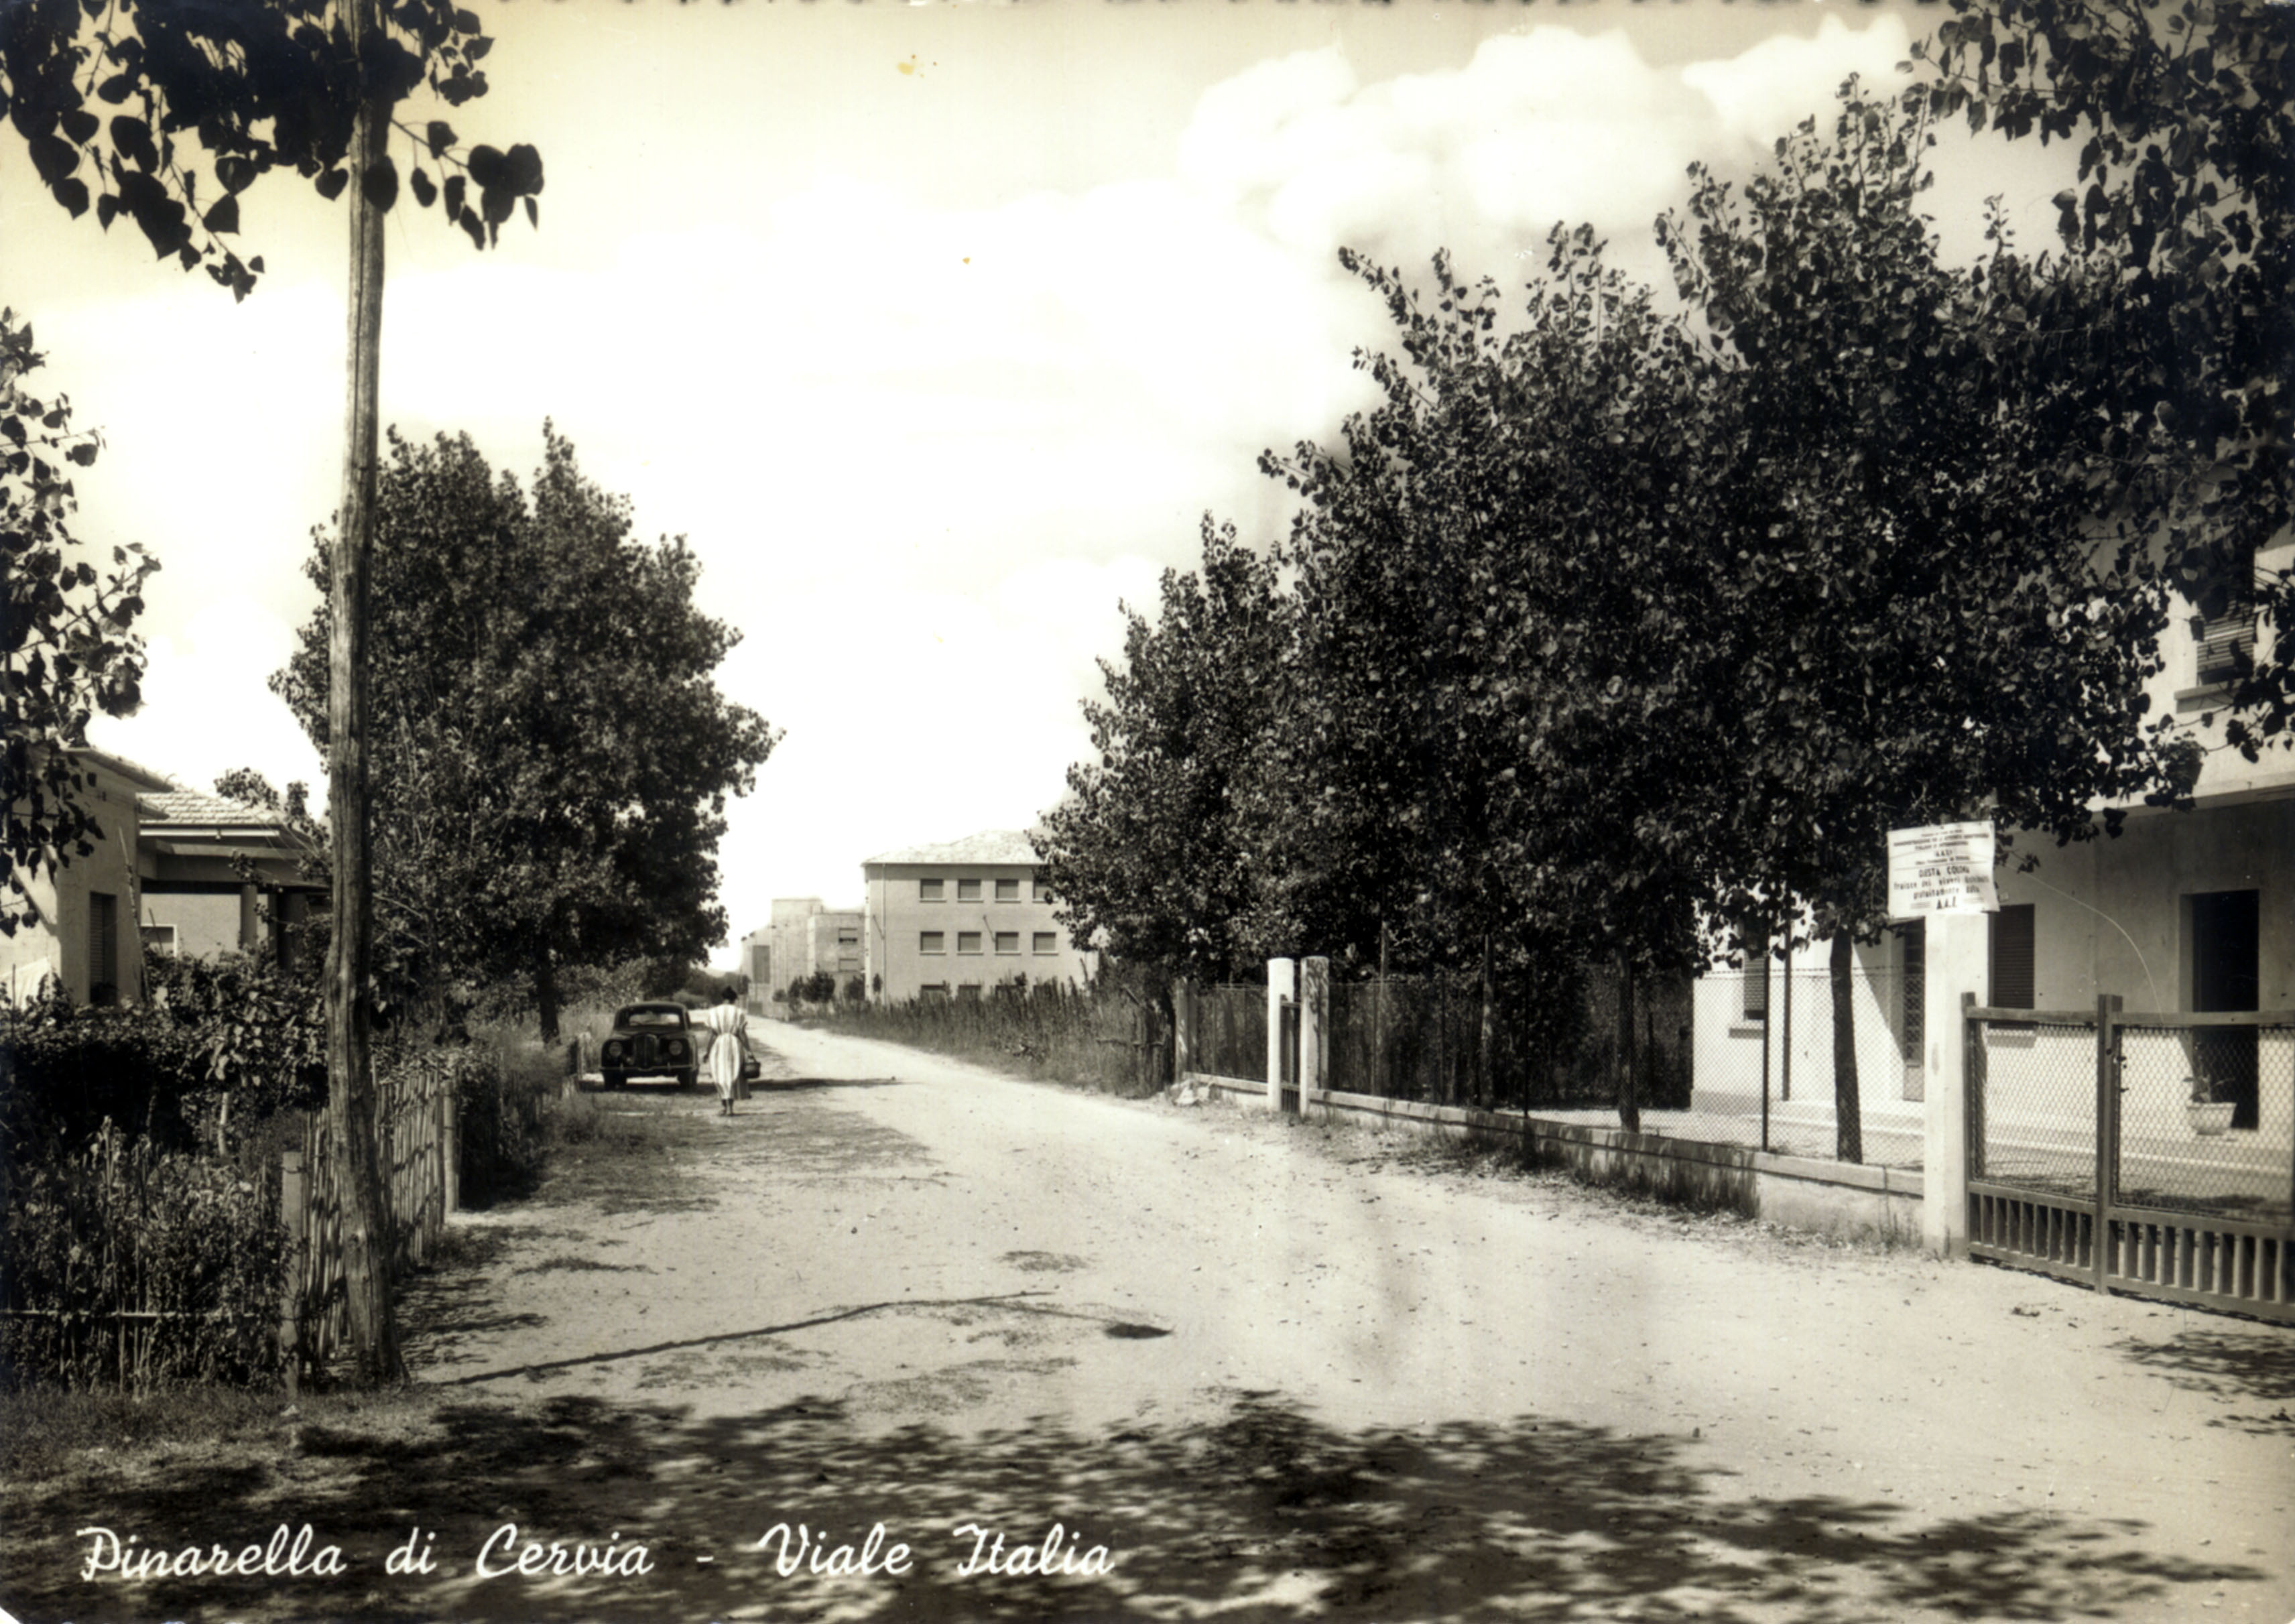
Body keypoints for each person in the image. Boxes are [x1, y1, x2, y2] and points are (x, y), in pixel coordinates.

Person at [699, 987, 749, 1117]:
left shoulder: (713, 1012)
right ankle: (730, 1108)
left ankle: (726, 1106)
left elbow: (711, 1034)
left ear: (723, 999)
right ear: (733, 1000)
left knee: (720, 1074)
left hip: (719, 1044)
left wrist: (707, 1051)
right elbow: (742, 1033)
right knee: (732, 1073)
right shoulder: (739, 1012)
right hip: (734, 1043)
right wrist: (749, 1050)